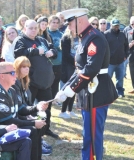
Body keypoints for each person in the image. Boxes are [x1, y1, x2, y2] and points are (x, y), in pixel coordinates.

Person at [55, 8, 118, 160]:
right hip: (88, 92)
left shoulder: (94, 37)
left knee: (92, 136)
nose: (68, 27)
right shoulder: (85, 37)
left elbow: (90, 69)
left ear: (79, 21)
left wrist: (71, 89)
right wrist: (64, 89)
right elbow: (79, 69)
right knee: (88, 135)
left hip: (96, 94)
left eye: (70, 23)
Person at [0, 62, 49, 160]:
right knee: (33, 130)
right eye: (12, 73)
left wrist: (37, 107)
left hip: (13, 125)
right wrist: (33, 123)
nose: (16, 75)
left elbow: (21, 109)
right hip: (3, 129)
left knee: (37, 129)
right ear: (2, 76)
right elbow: (7, 120)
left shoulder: (11, 90)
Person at [14, 19, 59, 139]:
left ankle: (45, 129)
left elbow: (54, 50)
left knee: (46, 108)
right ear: (25, 28)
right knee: (31, 109)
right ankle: (33, 131)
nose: (33, 30)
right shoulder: (21, 40)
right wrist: (35, 51)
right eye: (30, 28)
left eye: (35, 28)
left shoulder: (42, 39)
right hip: (31, 82)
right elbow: (18, 53)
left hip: (46, 81)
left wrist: (52, 52)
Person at [12, 56, 52, 155]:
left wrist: (37, 108)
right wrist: (28, 115)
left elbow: (27, 103)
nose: (27, 69)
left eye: (28, 66)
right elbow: (18, 106)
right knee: (36, 122)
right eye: (23, 66)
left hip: (26, 111)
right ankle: (37, 143)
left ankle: (40, 140)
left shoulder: (25, 81)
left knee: (45, 112)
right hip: (19, 115)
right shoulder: (14, 83)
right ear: (17, 67)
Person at [104, 19, 128, 97]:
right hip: (110, 62)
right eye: (114, 25)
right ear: (111, 25)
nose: (116, 27)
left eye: (117, 25)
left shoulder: (122, 34)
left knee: (120, 78)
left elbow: (126, 46)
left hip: (121, 61)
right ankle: (107, 93)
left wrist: (125, 55)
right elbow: (103, 48)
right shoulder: (106, 34)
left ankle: (120, 92)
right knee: (108, 78)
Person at [59, 28, 79, 118]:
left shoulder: (80, 37)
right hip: (68, 67)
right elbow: (66, 55)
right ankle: (63, 111)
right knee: (68, 89)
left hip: (76, 67)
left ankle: (70, 110)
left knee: (74, 88)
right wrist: (77, 61)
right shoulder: (66, 38)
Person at [47, 15, 63, 100]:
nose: (55, 24)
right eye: (53, 22)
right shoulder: (45, 33)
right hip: (48, 62)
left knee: (56, 82)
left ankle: (54, 99)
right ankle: (47, 98)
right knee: (48, 82)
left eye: (57, 23)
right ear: (49, 23)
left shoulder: (61, 34)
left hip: (59, 62)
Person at [125, 16, 134, 94]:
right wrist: (128, 45)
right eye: (132, 24)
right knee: (132, 73)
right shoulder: (127, 30)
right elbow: (124, 42)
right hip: (131, 56)